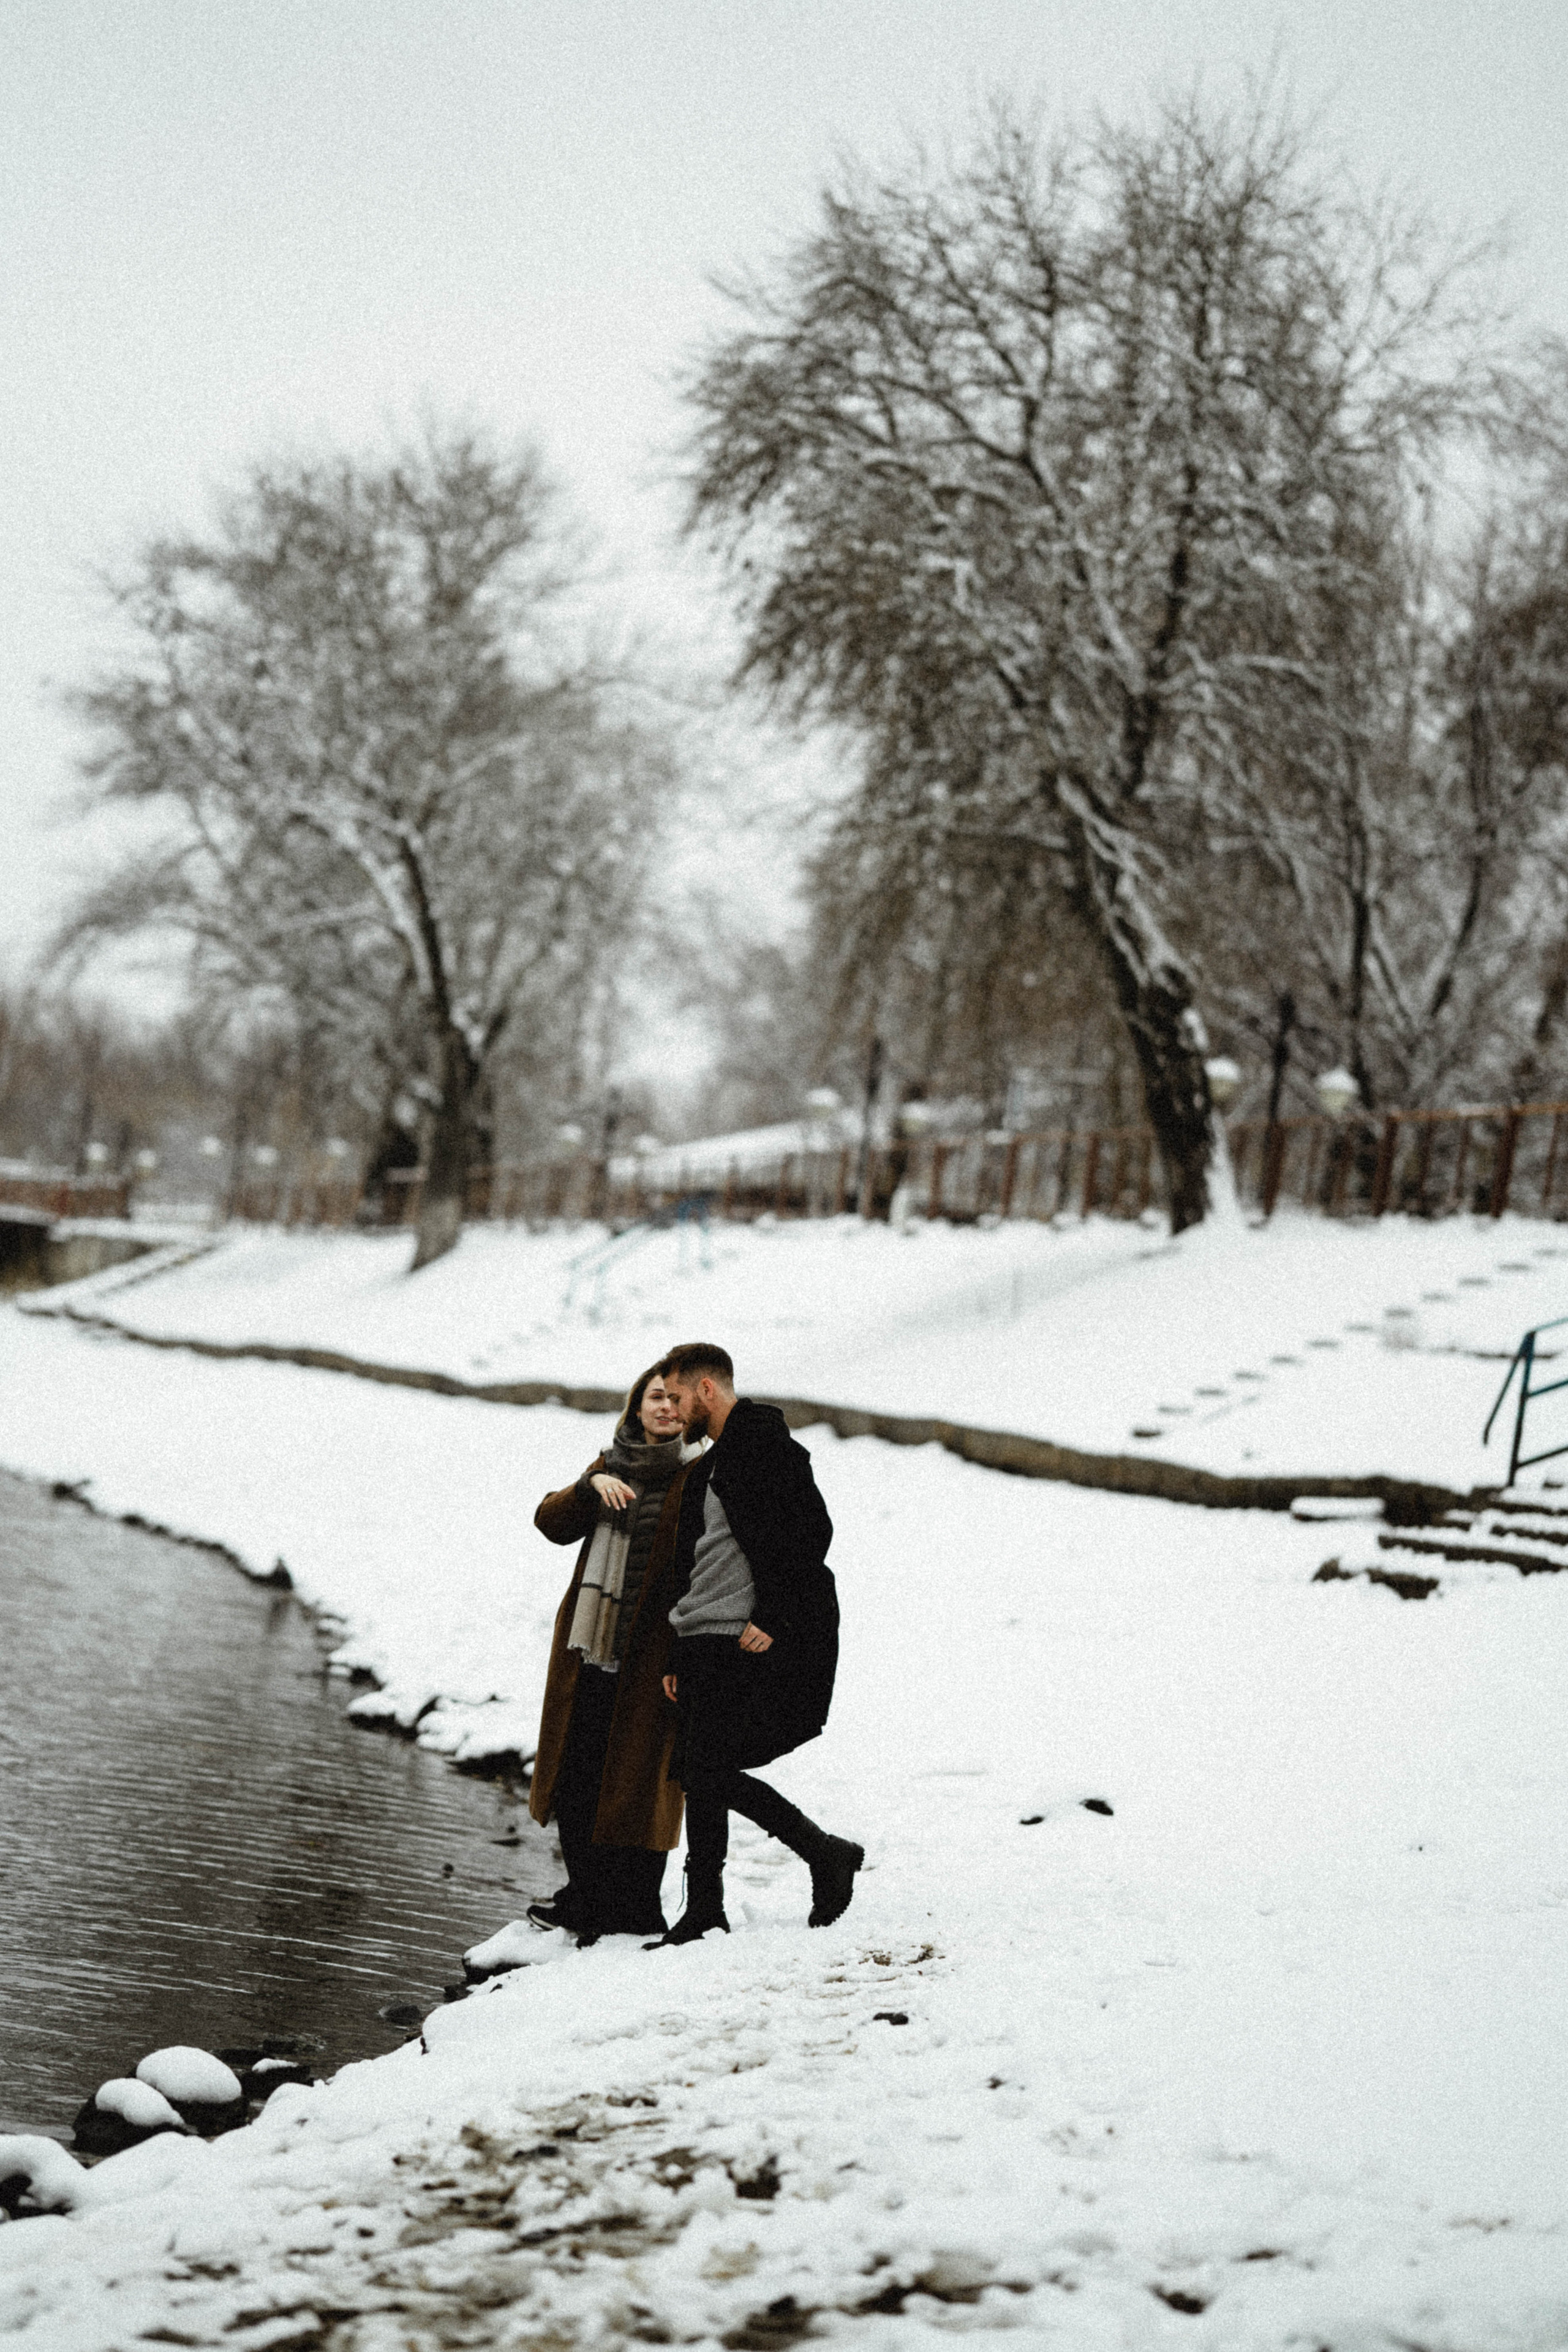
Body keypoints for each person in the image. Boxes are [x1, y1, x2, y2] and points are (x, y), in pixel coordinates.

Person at [649, 1341, 862, 1947]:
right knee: (700, 1770)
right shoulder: (714, 1463)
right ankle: (710, 1906)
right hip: (701, 1632)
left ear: (707, 1391)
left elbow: (810, 1531)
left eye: (678, 1395)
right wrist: (673, 1648)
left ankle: (821, 1854)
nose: (673, 1407)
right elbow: (696, 1559)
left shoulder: (765, 1447)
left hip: (738, 1633)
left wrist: (776, 1614)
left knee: (703, 1767)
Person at [528, 1364, 706, 1942]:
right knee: (579, 1774)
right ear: (636, 1408)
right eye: (655, 1397)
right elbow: (550, 1522)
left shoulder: (700, 1473)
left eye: (676, 1400)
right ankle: (583, 1896)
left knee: (642, 1782)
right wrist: (588, 1489)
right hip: (591, 1647)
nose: (665, 1408)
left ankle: (633, 1909)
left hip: (657, 1656)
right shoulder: (611, 1465)